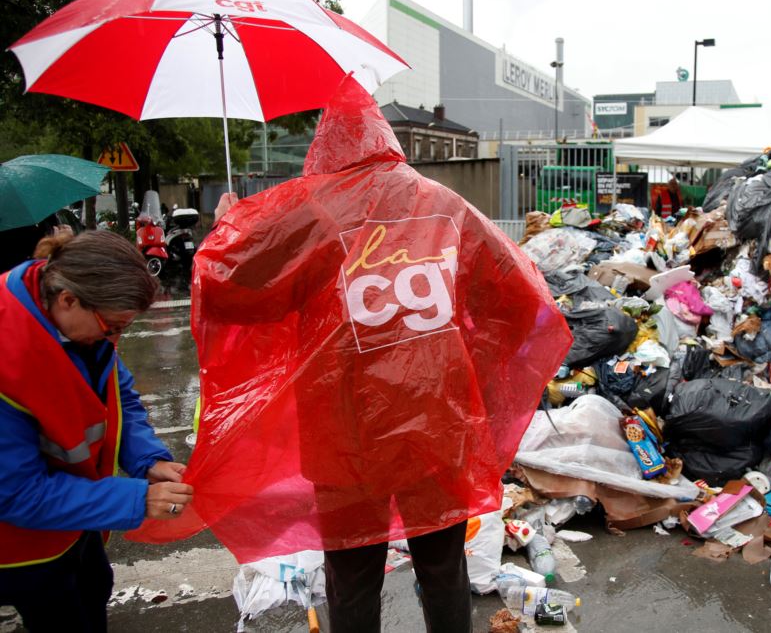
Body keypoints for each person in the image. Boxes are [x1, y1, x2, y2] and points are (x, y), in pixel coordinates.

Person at [139, 75, 571, 632]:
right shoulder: (445, 206)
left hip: (345, 429)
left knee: (352, 570)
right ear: (385, 137)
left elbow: (233, 294)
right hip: (436, 423)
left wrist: (230, 226)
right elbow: (521, 301)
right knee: (443, 564)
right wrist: (476, 378)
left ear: (325, 148)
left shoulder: (311, 212)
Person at [0, 229, 193, 631]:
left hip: (78, 518)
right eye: (112, 329)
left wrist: (147, 459)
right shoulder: (8, 355)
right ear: (68, 301)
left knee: (94, 588)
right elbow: (17, 493)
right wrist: (138, 499)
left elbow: (116, 391)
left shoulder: (70, 308)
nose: (116, 339)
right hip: (23, 547)